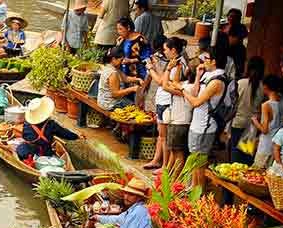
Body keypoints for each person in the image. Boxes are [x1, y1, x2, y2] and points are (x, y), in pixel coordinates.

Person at [179, 45, 229, 186]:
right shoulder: (208, 76)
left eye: (206, 59)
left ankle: (197, 195)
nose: (203, 61)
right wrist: (198, 76)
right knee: (194, 161)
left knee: (198, 164)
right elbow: (195, 93)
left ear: (214, 61)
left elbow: (195, 102)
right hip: (198, 124)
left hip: (204, 127)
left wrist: (182, 89)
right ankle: (192, 191)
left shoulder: (216, 81)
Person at [146, 36, 186, 170]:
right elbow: (163, 80)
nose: (164, 52)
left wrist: (151, 69)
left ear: (173, 50)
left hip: (167, 102)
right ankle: (157, 160)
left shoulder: (177, 65)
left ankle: (164, 165)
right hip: (163, 101)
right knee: (161, 135)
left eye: (165, 49)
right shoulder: (173, 62)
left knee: (164, 137)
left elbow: (162, 83)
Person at [16, 96, 79, 161]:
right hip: (44, 153)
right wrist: (77, 136)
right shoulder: (51, 125)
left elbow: (24, 135)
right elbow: (65, 134)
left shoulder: (27, 123)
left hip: (25, 151)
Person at [228, 56, 265, 164]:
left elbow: (233, 104)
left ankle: (233, 176)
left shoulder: (240, 83)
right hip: (252, 125)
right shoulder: (262, 87)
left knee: (235, 153)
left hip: (238, 122)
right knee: (246, 153)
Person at [251, 74, 283, 168]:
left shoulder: (266, 105)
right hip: (277, 143)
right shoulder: (281, 100)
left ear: (265, 87)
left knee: (257, 170)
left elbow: (265, 130)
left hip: (266, 144)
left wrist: (255, 121)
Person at [98, 47, 141, 111]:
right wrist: (132, 89)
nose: (122, 62)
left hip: (103, 101)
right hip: (109, 104)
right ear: (113, 59)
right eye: (121, 60)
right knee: (135, 108)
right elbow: (115, 94)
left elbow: (125, 78)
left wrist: (138, 79)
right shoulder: (113, 73)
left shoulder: (109, 66)